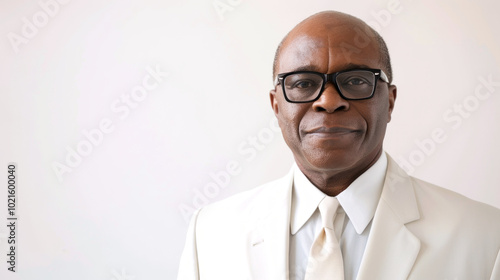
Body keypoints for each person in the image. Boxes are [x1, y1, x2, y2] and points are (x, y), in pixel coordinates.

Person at [177, 10, 500, 280]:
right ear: (277, 106)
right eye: (303, 83)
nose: (329, 102)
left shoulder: (485, 236)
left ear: (389, 101)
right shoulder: (211, 232)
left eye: (356, 80)